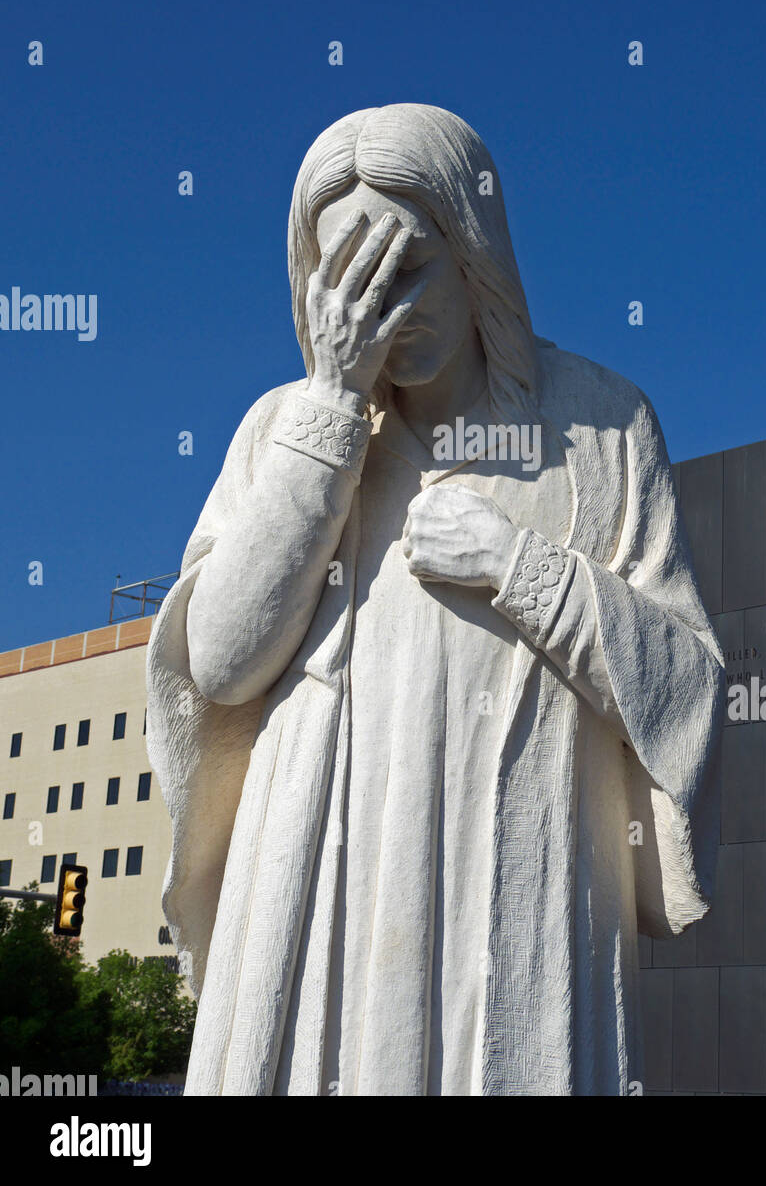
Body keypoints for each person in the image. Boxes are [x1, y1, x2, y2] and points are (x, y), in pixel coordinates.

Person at [146, 102, 724, 1096]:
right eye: (343, 277)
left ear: (472, 253)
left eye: (403, 264)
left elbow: (686, 688)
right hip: (315, 864)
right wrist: (329, 414)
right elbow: (223, 662)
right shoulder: (280, 426)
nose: (375, 303)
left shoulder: (600, 423)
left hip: (521, 865)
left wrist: (526, 571)